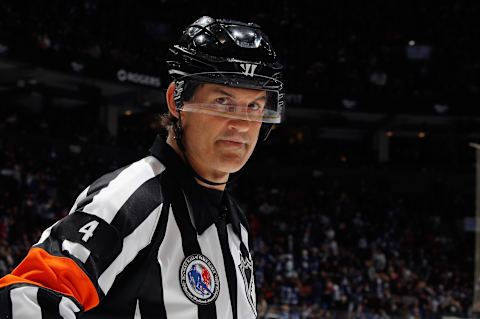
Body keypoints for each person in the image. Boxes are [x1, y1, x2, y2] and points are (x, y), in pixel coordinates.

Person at [0, 16, 285, 318]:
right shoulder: (132, 199)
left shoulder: (234, 221)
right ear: (177, 102)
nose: (241, 124)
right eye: (223, 101)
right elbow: (25, 298)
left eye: (254, 106)